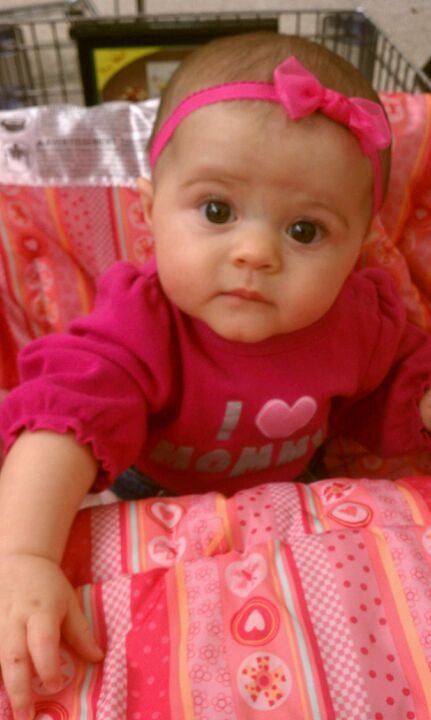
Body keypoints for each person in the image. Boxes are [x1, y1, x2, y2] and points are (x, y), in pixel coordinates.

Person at [0, 30, 431, 719]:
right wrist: (22, 556)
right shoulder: (139, 325)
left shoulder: (358, 319)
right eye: (217, 211)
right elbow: (61, 424)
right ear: (148, 212)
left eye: (305, 231)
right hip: (149, 490)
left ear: (357, 249)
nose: (255, 252)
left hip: (295, 491)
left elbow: (404, 372)